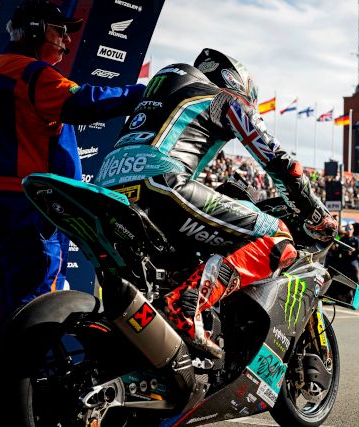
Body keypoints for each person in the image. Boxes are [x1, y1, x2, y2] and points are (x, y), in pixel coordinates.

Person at [96, 49, 337, 357]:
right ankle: (189, 304)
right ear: (237, 85)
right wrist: (315, 212)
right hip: (160, 184)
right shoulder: (223, 99)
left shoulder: (162, 96)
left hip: (108, 187)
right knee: (278, 236)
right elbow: (281, 163)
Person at [0, 0, 146, 325]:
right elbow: (85, 101)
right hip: (28, 209)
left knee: (5, 307)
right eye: (60, 31)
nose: (67, 40)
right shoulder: (32, 73)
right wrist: (145, 93)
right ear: (34, 30)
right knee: (36, 310)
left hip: (7, 202)